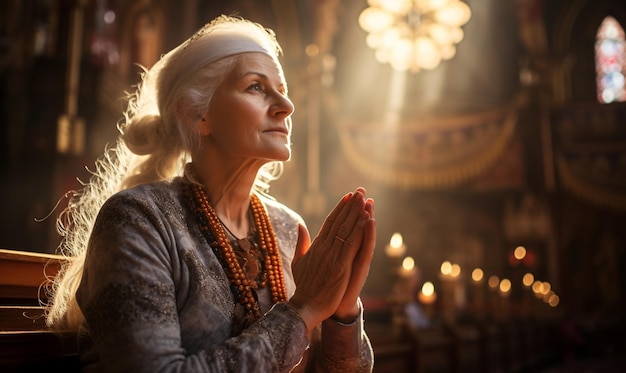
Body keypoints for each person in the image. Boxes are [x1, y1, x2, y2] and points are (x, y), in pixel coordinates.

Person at [44, 14, 376, 372]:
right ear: (197, 115)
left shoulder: (285, 227)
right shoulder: (138, 218)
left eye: (283, 89)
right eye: (255, 87)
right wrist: (303, 310)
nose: (286, 105)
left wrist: (342, 311)